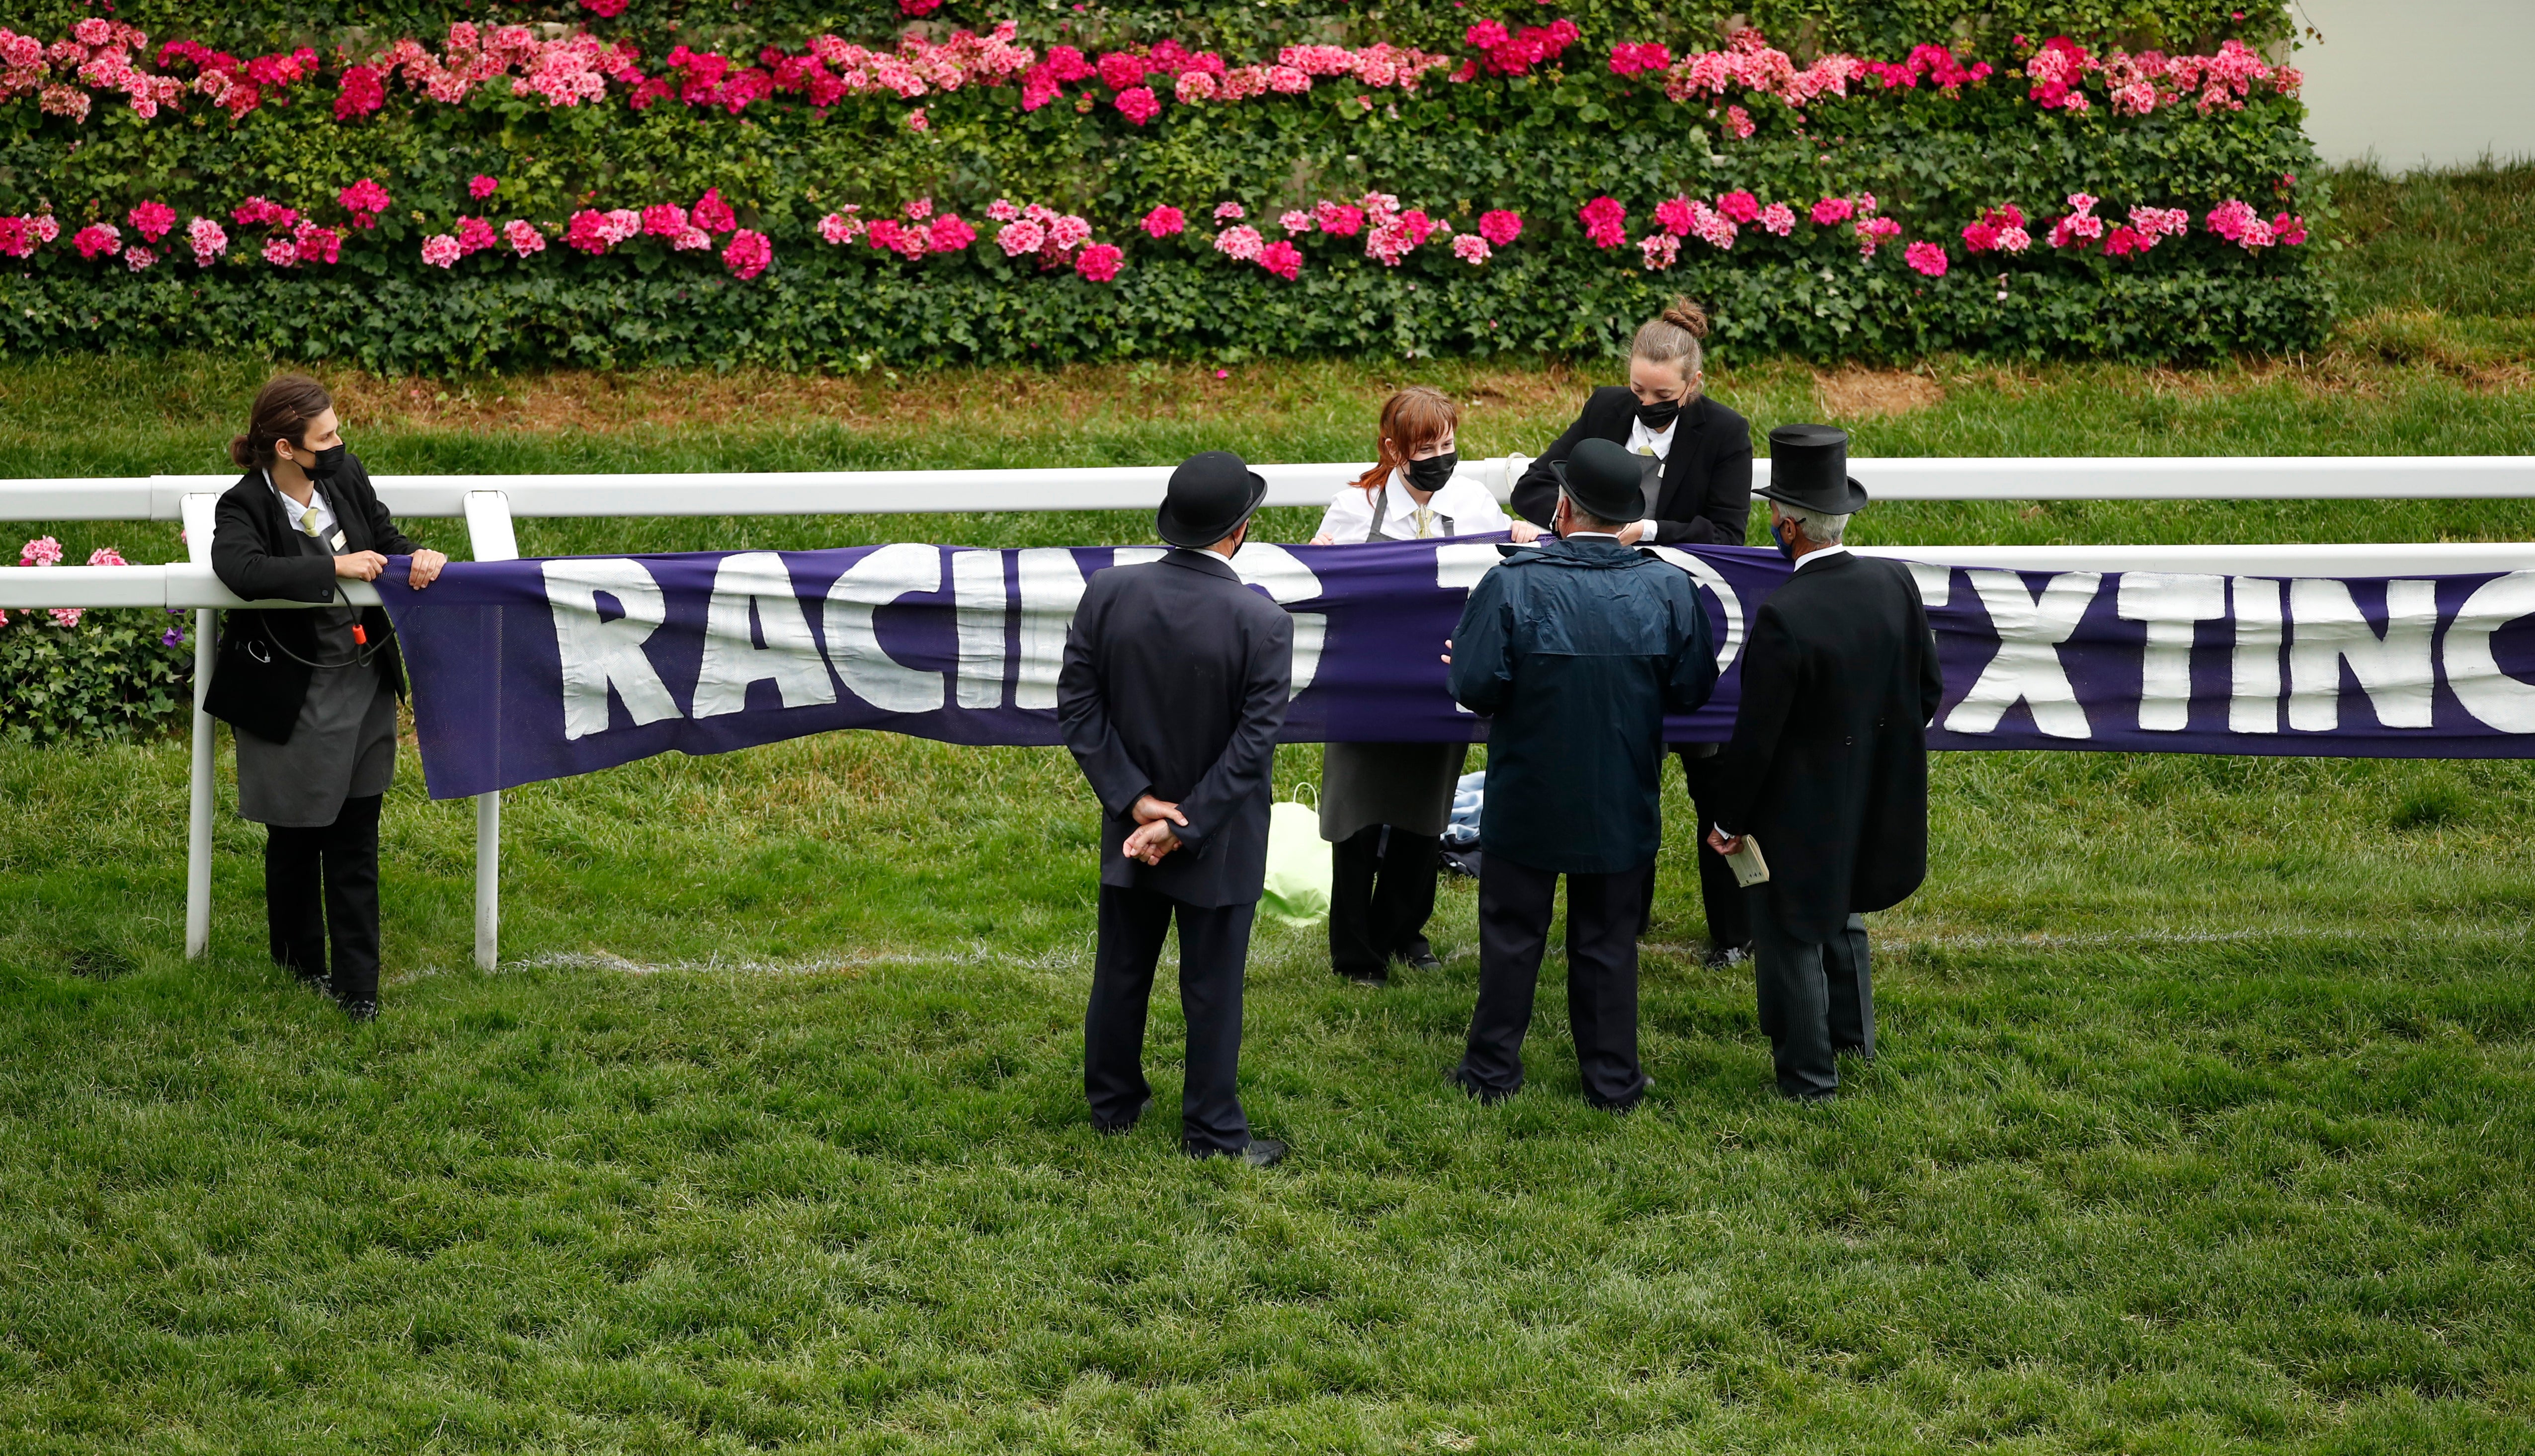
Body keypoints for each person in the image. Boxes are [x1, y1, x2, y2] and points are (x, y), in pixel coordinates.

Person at [1444, 437, 1717, 1110]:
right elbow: (1692, 690)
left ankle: (1491, 1070)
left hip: (1527, 798)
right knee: (1607, 943)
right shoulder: (1669, 587)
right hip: (1619, 798)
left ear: (1562, 507)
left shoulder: (1511, 583)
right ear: (1623, 516)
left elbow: (1476, 687)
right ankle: (1611, 1080)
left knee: (1512, 937)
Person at [1058, 451, 1294, 1165]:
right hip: (1217, 837)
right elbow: (1251, 747)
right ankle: (1215, 1132)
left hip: (1128, 827)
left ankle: (1113, 1106)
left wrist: (1134, 801)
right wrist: (1183, 822)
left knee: (1122, 968)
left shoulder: (1107, 591)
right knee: (1212, 986)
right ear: (1241, 530)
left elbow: (1077, 704)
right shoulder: (1263, 621)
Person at [1509, 297, 1756, 968]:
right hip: (1602, 617)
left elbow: (1728, 533)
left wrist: (1647, 531)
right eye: (1638, 389)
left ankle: (1734, 931)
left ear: (1693, 387)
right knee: (1624, 771)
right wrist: (1560, 523)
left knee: (1712, 780)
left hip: (1682, 617)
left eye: (1663, 395)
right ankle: (1627, 916)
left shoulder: (1725, 433)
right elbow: (1535, 484)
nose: (1646, 403)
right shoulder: (1605, 410)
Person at [1704, 425, 1944, 1102]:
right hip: (1873, 785)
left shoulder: (1785, 612)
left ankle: (1809, 1078)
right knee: (1844, 916)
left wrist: (1728, 818)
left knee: (1792, 931)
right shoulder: (1894, 582)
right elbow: (1926, 687)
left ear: (1786, 525)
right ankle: (1854, 1042)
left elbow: (1757, 739)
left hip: (1799, 805)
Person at [203, 374, 447, 1021]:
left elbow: (385, 542)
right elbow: (242, 570)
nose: (340, 444)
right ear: (287, 447)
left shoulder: (347, 476)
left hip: (362, 684)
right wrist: (333, 566)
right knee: (295, 835)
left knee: (355, 838)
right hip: (291, 694)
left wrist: (418, 557)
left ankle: (358, 989)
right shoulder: (242, 506)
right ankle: (298, 964)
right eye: (327, 436)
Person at [1306, 386, 1530, 984]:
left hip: (1440, 680)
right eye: (1426, 446)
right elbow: (1323, 587)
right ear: (1393, 449)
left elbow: (1507, 554)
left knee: (1423, 814)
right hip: (1366, 687)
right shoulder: (1355, 508)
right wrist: (1320, 557)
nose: (1441, 456)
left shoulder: (1474, 501)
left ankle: (1403, 930)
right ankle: (1355, 953)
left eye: (1448, 443)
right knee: (1354, 817)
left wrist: (1524, 532)